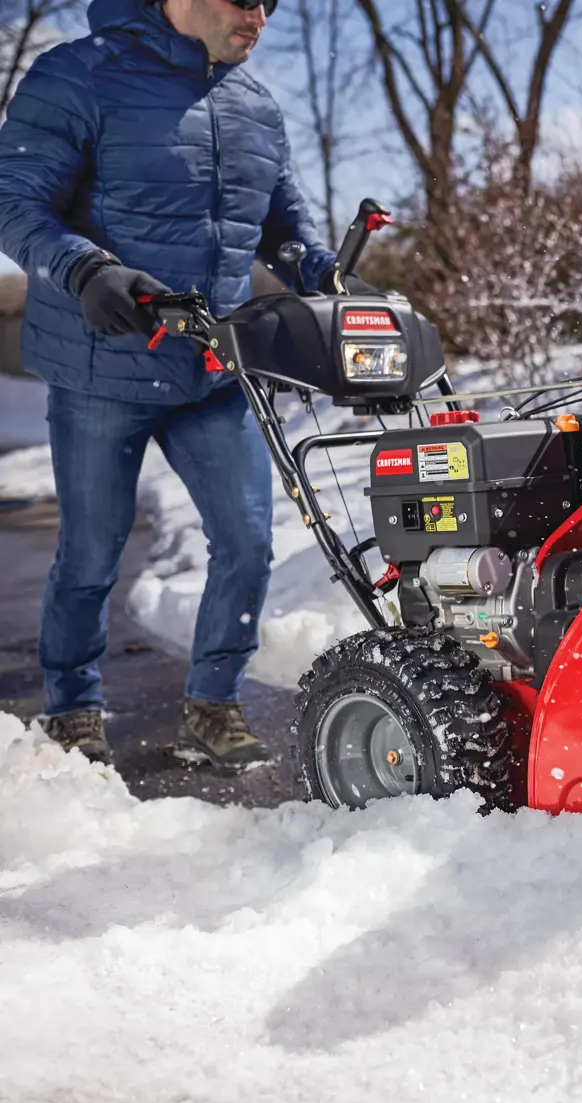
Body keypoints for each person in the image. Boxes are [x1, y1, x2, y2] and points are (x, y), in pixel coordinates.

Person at [0, 0, 343, 770]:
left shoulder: (256, 106)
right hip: (100, 364)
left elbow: (282, 229)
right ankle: (73, 705)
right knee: (91, 551)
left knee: (249, 540)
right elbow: (15, 201)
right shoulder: (76, 76)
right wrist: (86, 268)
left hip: (211, 367)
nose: (258, 13)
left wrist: (323, 269)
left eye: (270, 2)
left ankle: (213, 704)